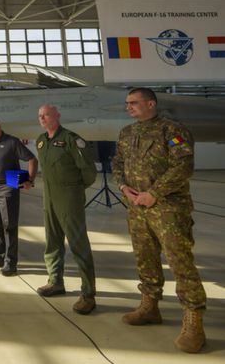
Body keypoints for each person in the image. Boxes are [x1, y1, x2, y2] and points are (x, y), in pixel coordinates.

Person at [112, 88, 207, 353]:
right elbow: (117, 162)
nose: (128, 107)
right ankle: (149, 306)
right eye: (127, 103)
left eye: (134, 102)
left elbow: (183, 166)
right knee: (145, 257)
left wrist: (154, 193)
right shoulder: (127, 133)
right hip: (137, 208)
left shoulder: (173, 131)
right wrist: (123, 188)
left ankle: (194, 321)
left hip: (168, 208)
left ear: (151, 103)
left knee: (180, 261)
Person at [35, 105, 98, 315]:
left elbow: (88, 171)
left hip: (69, 197)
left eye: (46, 115)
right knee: (52, 241)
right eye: (40, 116)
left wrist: (74, 189)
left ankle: (88, 294)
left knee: (78, 244)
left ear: (57, 116)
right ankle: (55, 281)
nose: (42, 118)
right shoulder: (41, 141)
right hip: (49, 197)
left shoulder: (72, 139)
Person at [0, 116, 37, 276]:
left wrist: (29, 180)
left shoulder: (12, 142)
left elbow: (32, 159)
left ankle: (10, 262)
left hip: (8, 185)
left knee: (9, 225)